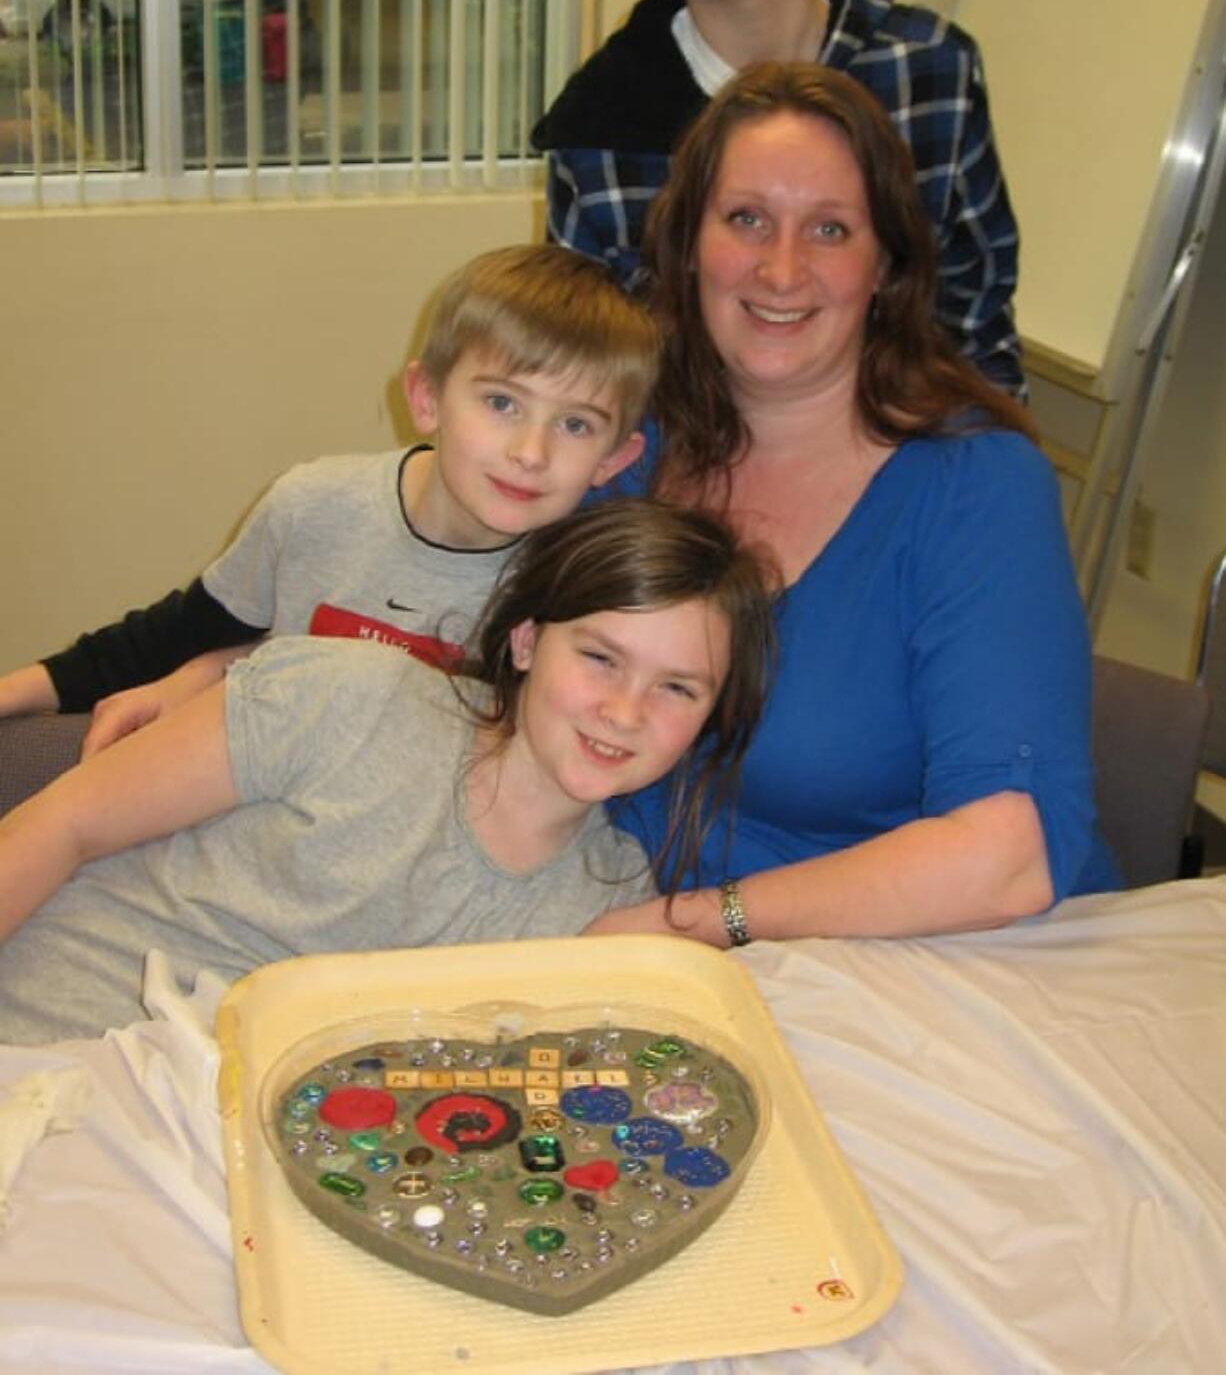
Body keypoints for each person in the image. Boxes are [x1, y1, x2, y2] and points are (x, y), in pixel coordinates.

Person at [583, 61, 1117, 948]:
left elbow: (1012, 852)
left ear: (886, 267)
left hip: (920, 965)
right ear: (688, 244)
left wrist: (702, 920)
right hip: (644, 944)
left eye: (829, 228)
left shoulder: (976, 487)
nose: (781, 268)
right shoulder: (624, 447)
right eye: (746, 218)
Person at [0, 500, 776, 1044]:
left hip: (204, 1162)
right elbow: (64, 823)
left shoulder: (604, 910)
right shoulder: (352, 698)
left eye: (677, 687)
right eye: (601, 657)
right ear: (529, 641)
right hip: (41, 1037)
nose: (625, 709)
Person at [0, 244, 658, 753]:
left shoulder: (576, 586)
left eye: (575, 424)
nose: (531, 451)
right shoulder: (313, 507)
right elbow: (168, 636)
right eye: (501, 402)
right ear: (426, 398)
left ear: (615, 458)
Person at [532, 0, 1025, 396]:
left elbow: (974, 313)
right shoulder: (596, 132)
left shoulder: (930, 70)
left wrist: (998, 471)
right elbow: (584, 368)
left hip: (899, 450)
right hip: (687, 468)